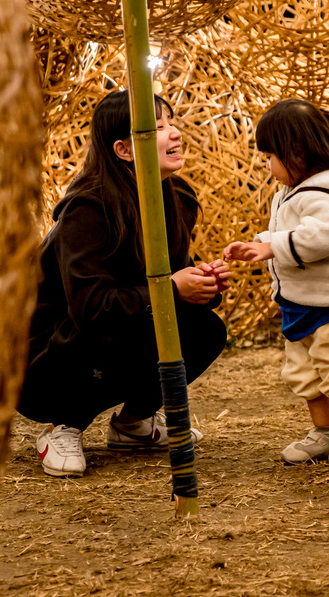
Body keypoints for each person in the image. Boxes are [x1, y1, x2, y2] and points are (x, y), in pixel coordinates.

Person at [18, 90, 231, 477]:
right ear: (123, 149)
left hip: (122, 322)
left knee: (205, 330)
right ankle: (64, 424)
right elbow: (91, 308)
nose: (176, 133)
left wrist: (201, 283)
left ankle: (133, 424)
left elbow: (169, 277)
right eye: (158, 127)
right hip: (48, 354)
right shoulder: (87, 208)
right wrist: (173, 289)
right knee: (106, 330)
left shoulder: (178, 198)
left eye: (172, 123)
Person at [224, 99, 329, 465]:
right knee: (306, 374)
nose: (267, 165)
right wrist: (261, 243)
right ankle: (325, 432)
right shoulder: (293, 191)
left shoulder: (327, 191)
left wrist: (272, 247)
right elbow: (294, 232)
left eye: (270, 156)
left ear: (296, 152)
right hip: (301, 302)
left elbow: (325, 234)